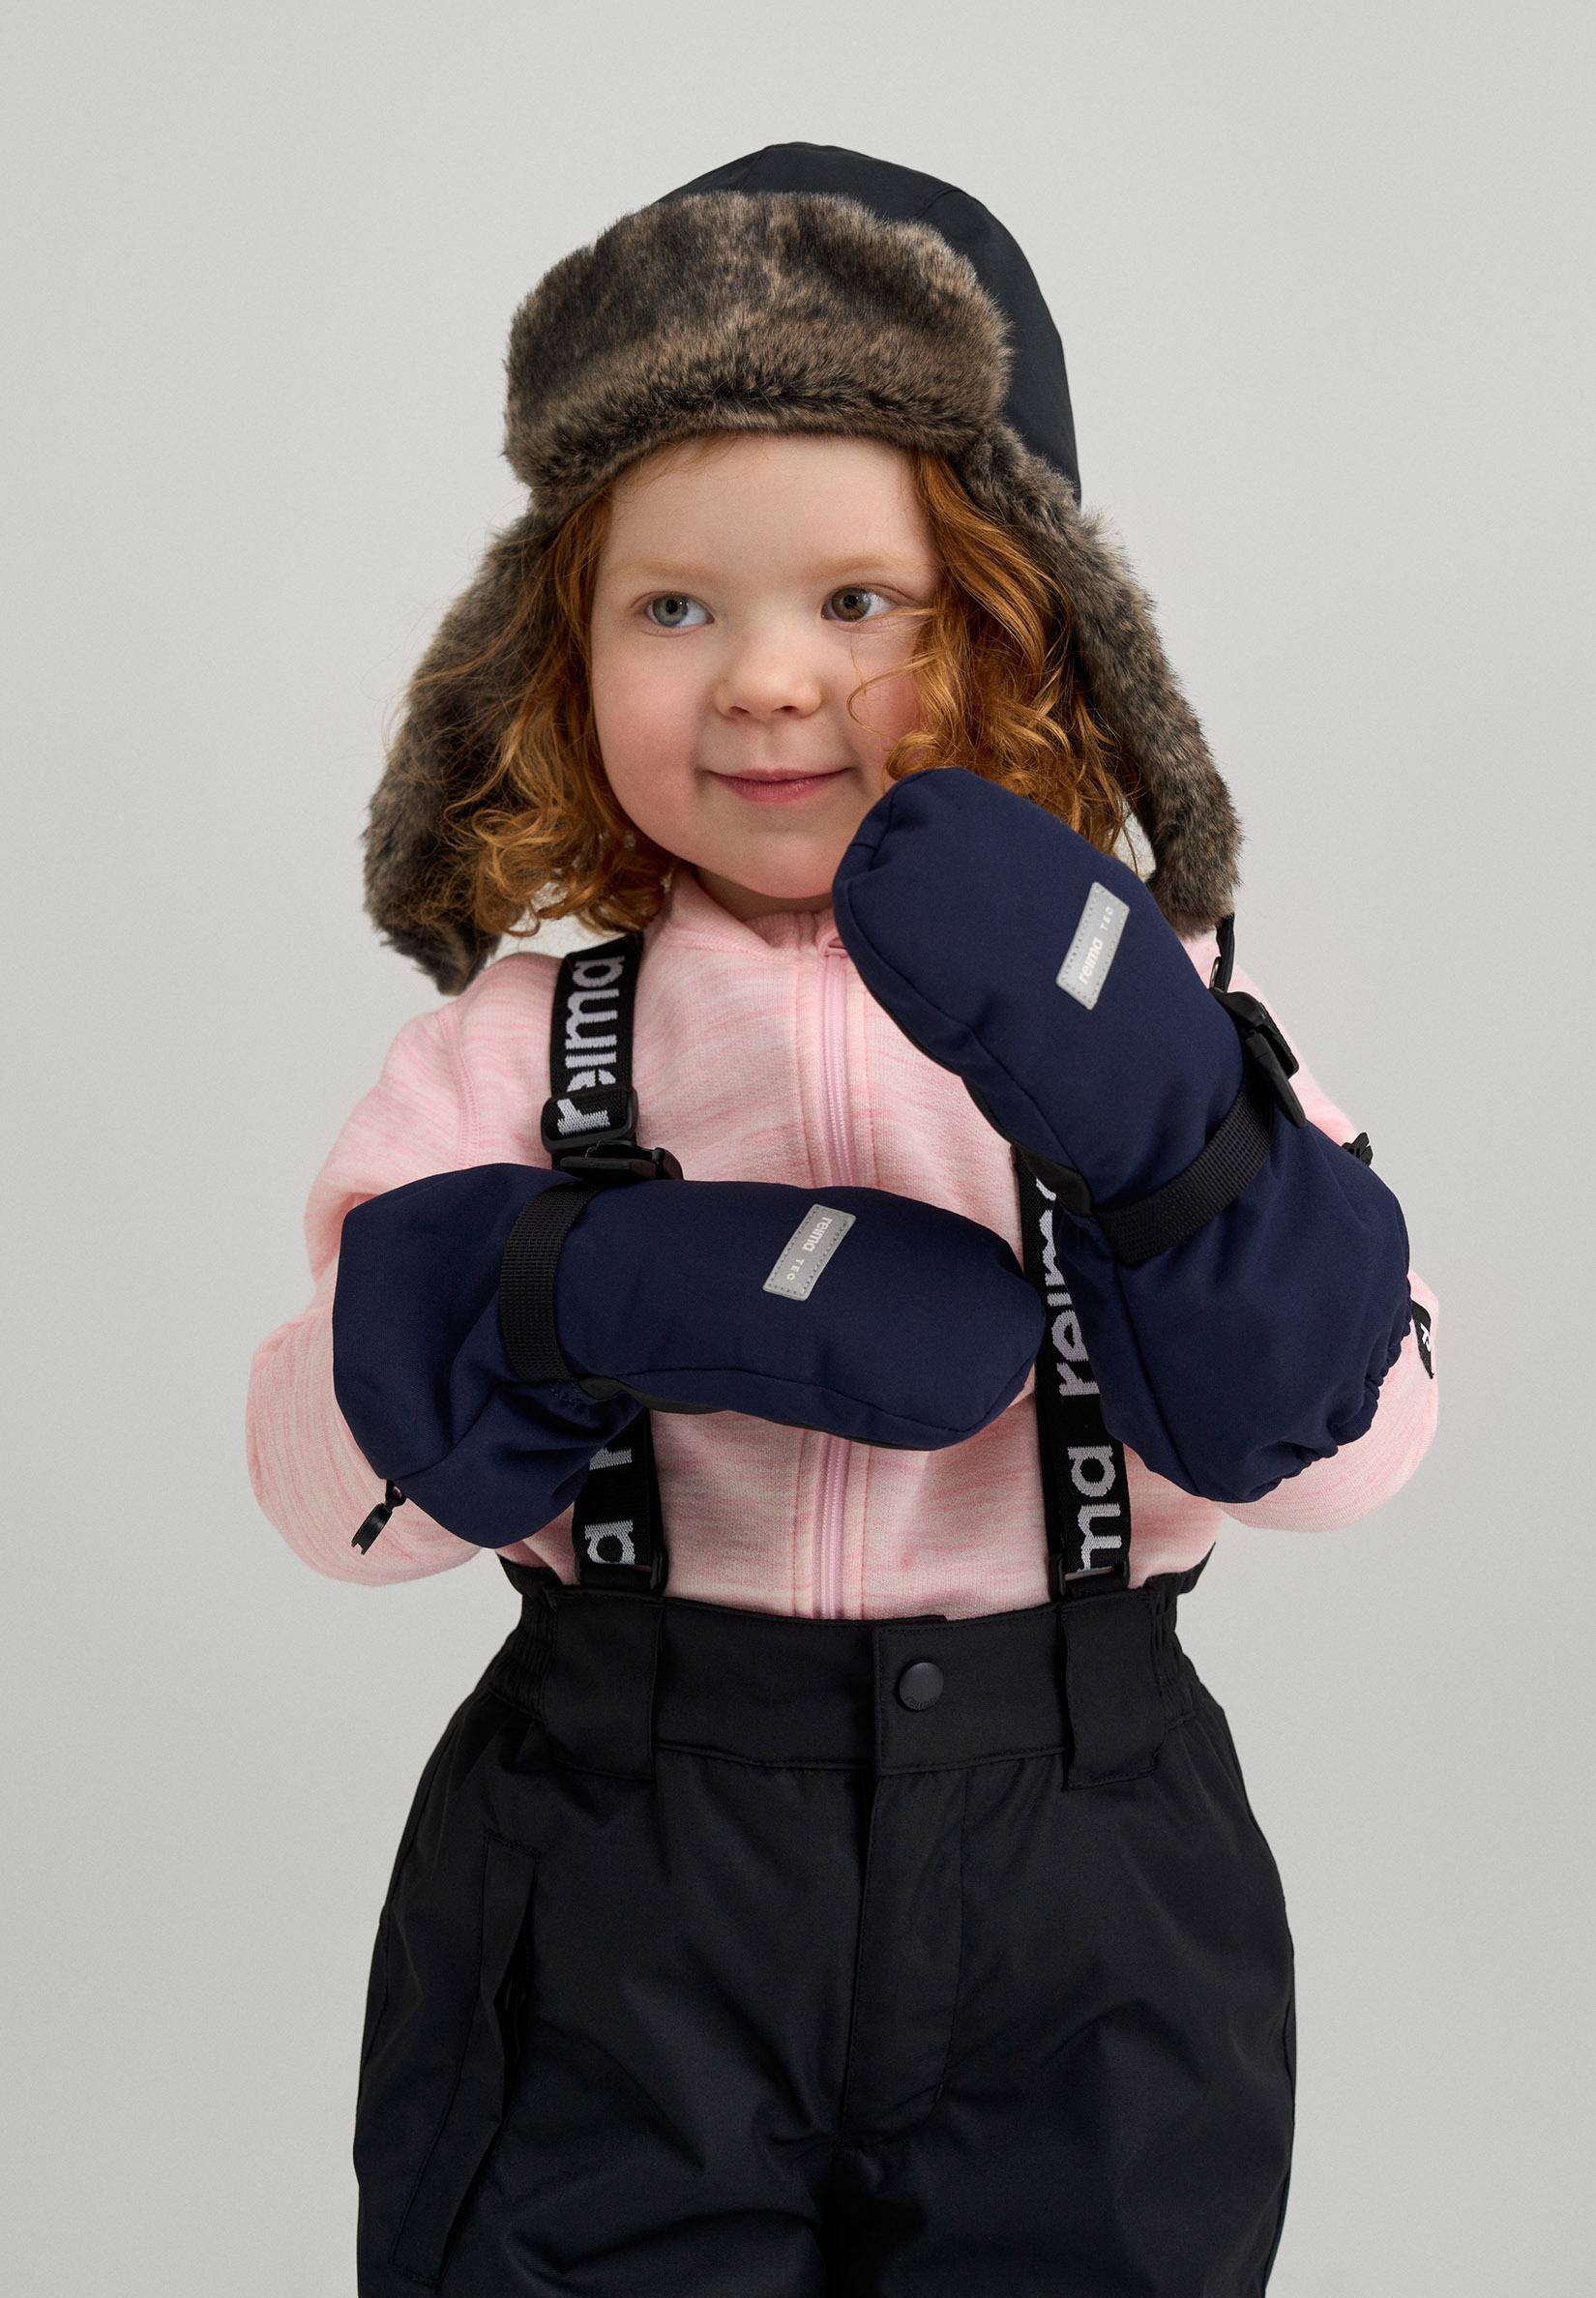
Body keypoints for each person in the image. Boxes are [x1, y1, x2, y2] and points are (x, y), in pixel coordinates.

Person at [246, 142, 1440, 2296]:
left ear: (1017, 612)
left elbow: (1354, 1459)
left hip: (1087, 1869)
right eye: (672, 608)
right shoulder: (528, 1043)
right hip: (620, 1867)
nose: (767, 680)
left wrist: (1180, 1142)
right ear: (552, 648)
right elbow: (329, 1500)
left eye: (857, 603)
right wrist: (570, 1287)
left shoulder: (1163, 1003)